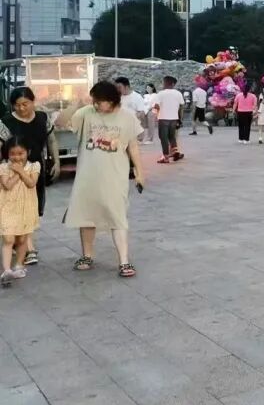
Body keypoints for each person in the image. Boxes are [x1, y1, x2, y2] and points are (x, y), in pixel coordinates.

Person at [64, 80, 145, 278]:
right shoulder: (87, 113)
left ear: (111, 100)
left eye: (99, 101)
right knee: (86, 215)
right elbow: (61, 122)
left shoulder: (127, 117)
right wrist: (75, 104)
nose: (96, 104)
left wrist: (140, 173)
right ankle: (87, 256)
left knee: (117, 216)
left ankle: (124, 261)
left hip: (115, 176)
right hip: (87, 176)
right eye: (94, 100)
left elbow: (133, 147)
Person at [0, 87, 59, 266]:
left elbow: (52, 140)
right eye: (17, 105)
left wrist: (56, 161)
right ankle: (28, 247)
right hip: (13, 169)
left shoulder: (42, 118)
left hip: (35, 168)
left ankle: (21, 243)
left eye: (25, 104)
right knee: (17, 206)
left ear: (33, 102)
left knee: (32, 205)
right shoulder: (6, 122)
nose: (21, 108)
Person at [1, 139, 41, 287]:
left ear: (27, 152)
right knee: (8, 238)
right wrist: (18, 172)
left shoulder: (34, 166)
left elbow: (31, 183)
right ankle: (6, 270)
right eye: (12, 154)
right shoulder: (3, 167)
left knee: (22, 239)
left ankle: (19, 265)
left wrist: (20, 170)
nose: (17, 157)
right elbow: (7, 185)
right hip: (7, 207)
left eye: (20, 153)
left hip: (26, 208)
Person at [155, 76, 185, 164]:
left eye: (164, 82)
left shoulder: (161, 94)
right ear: (173, 84)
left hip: (163, 118)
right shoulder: (178, 93)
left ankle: (165, 157)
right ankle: (175, 151)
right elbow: (181, 106)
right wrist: (180, 119)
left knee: (163, 138)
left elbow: (156, 106)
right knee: (172, 136)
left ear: (166, 83)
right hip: (174, 119)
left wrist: (156, 112)